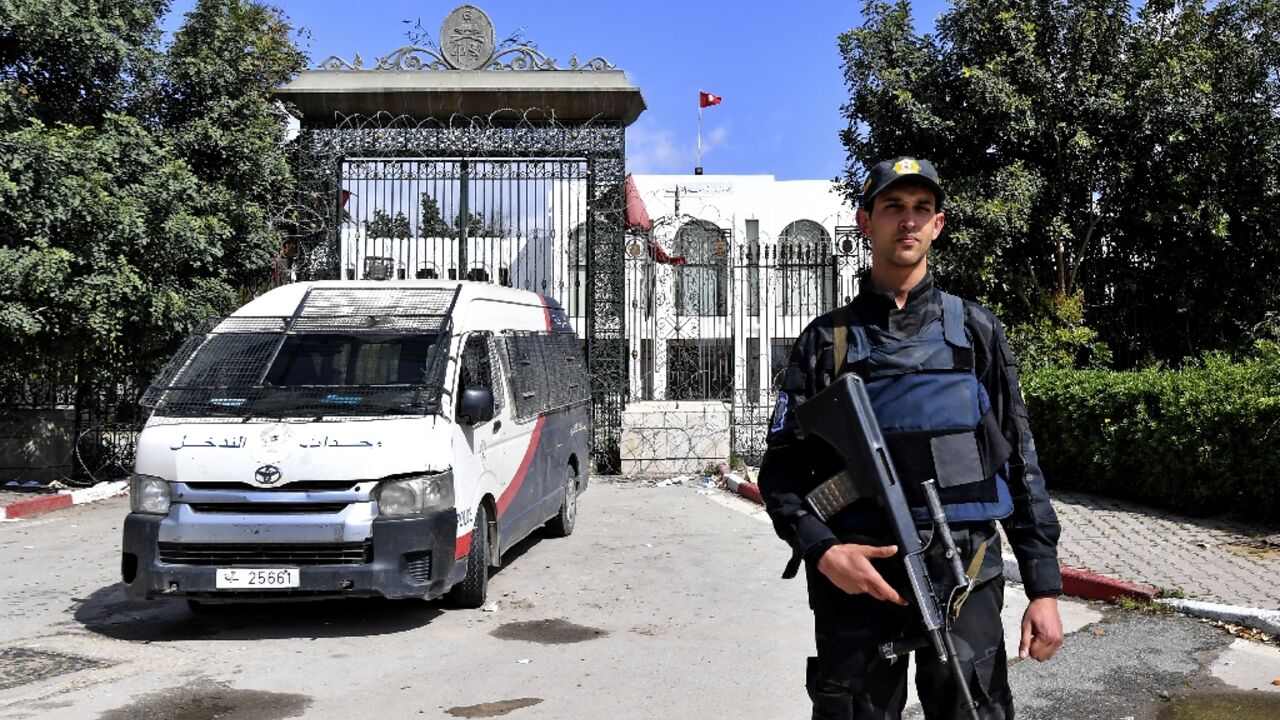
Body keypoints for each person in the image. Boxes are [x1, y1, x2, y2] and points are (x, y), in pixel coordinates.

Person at [758, 156, 1064, 720]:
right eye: (893, 207)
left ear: (938, 225)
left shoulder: (975, 331)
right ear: (864, 221)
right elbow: (780, 473)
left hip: (965, 566)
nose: (908, 221)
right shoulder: (825, 342)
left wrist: (1043, 587)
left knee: (975, 709)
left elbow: (1020, 462)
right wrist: (823, 551)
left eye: (921, 209)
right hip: (860, 575)